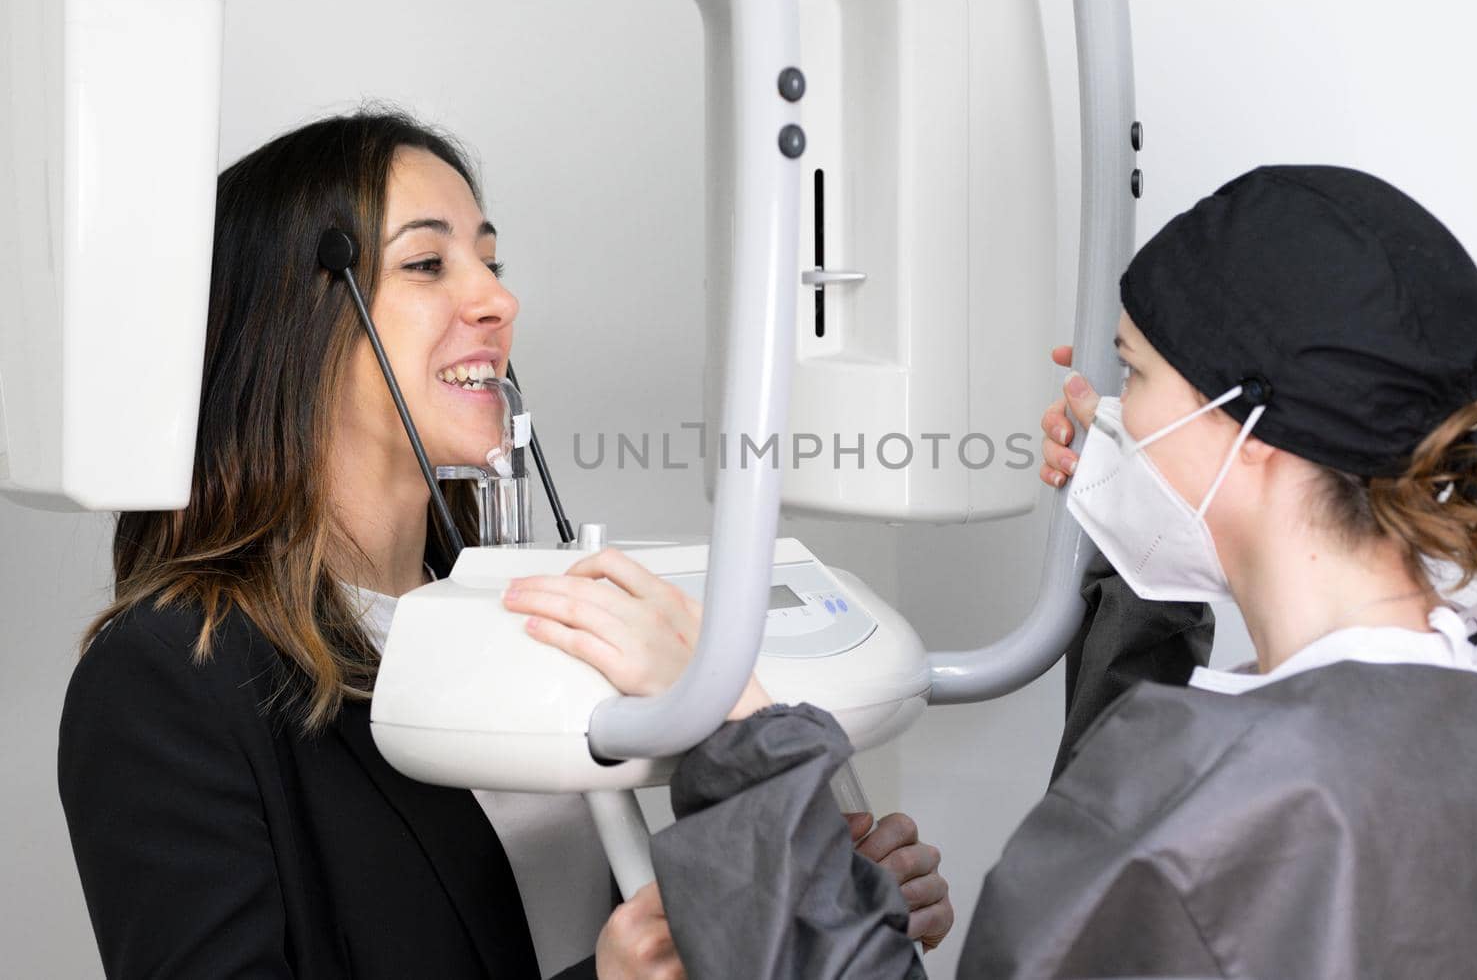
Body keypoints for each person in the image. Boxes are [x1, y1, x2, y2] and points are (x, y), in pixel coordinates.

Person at [510, 165, 1477, 977]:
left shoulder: (1226, 796)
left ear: (1251, 432)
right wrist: (1145, 560)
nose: (1115, 409)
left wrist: (738, 736)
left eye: (1134, 370)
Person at [56, 110, 952, 979]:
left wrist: (802, 898)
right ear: (288, 327)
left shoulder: (505, 619)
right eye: (426, 263)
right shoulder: (167, 676)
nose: (497, 299)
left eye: (489, 261)